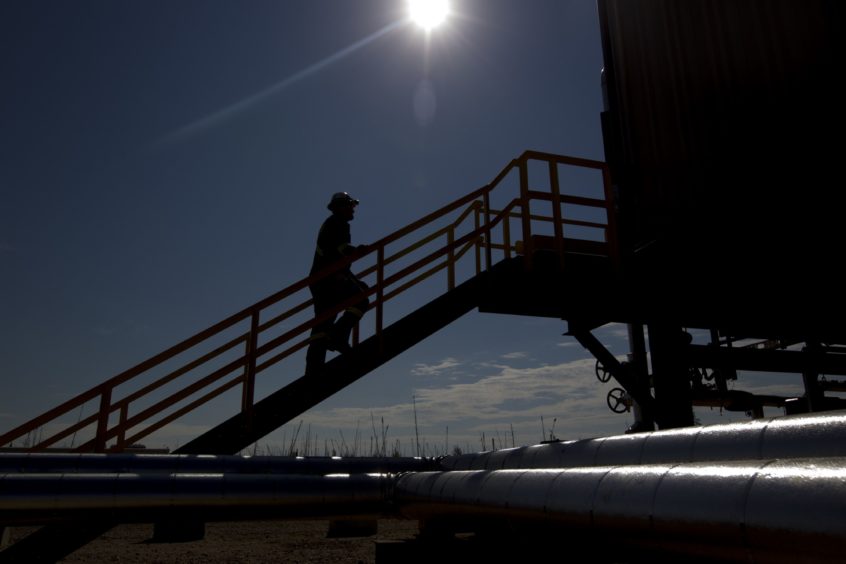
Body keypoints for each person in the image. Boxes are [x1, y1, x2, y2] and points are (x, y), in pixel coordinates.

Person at [305, 192, 370, 375]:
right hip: (328, 280)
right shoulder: (337, 224)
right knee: (361, 299)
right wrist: (356, 250)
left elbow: (336, 255)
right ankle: (338, 337)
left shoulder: (333, 223)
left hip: (323, 280)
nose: (353, 209)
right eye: (350, 205)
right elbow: (339, 250)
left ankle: (313, 370)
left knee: (322, 324)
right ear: (341, 206)